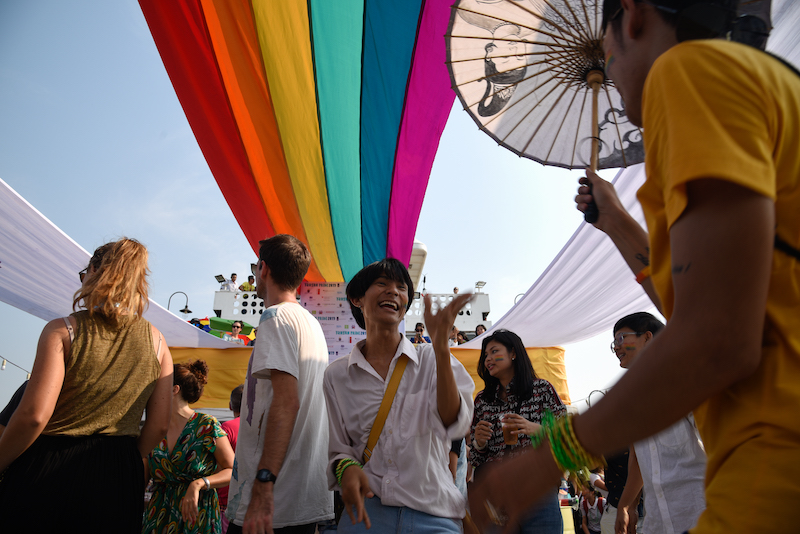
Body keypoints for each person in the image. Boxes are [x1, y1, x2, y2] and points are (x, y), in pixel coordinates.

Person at [469, 1, 800, 533]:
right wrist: (617, 222)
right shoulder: (764, 83)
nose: (615, 82)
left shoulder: (686, 71)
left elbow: (715, 339)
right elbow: (722, 296)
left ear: (635, 15)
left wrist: (553, 453)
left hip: (773, 471)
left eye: (609, 53)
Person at [0, 238, 173, 533]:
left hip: (51, 467)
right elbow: (158, 426)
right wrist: (121, 456)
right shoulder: (158, 342)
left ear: (93, 271)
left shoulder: (63, 330)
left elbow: (34, 416)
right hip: (119, 476)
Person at [323, 258, 474, 533]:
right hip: (367, 516)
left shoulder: (431, 359)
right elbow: (338, 448)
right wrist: (346, 469)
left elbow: (456, 423)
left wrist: (441, 349)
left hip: (434, 515)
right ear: (357, 298)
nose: (394, 291)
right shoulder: (336, 375)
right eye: (382, 283)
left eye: (401, 288)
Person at [226, 234, 333, 533]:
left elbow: (287, 402)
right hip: (297, 497)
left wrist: (264, 480)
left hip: (272, 501)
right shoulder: (310, 323)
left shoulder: (275, 317)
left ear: (264, 269)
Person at [611, 313, 706, 534]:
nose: (616, 347)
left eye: (621, 338)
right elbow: (640, 462)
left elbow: (718, 444)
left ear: (647, 338)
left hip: (699, 513)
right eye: (614, 343)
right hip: (658, 521)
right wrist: (626, 506)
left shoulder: (686, 383)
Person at [470, 329, 566, 533]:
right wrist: (478, 442)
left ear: (513, 353)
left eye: (494, 351)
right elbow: (477, 458)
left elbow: (567, 435)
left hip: (538, 488)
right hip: (497, 495)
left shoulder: (542, 390)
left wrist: (536, 429)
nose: (488, 359)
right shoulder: (482, 400)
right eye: (485, 355)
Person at [143, 360, 235, 534]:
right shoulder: (154, 429)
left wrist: (199, 484)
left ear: (173, 389)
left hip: (197, 515)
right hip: (159, 517)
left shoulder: (206, 425)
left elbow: (233, 469)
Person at [220, 384, 244, 533]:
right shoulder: (263, 426)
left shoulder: (226, 428)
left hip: (227, 500)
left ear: (230, 406)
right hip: (255, 500)